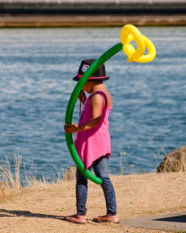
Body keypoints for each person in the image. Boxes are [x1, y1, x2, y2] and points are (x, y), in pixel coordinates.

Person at [64, 59, 119, 224]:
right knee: (103, 176)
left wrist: (77, 129)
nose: (81, 86)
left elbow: (96, 120)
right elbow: (93, 114)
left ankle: (81, 214)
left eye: (82, 82)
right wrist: (83, 101)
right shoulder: (102, 94)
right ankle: (112, 213)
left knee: (82, 176)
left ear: (90, 79)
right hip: (100, 141)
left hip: (91, 142)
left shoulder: (96, 96)